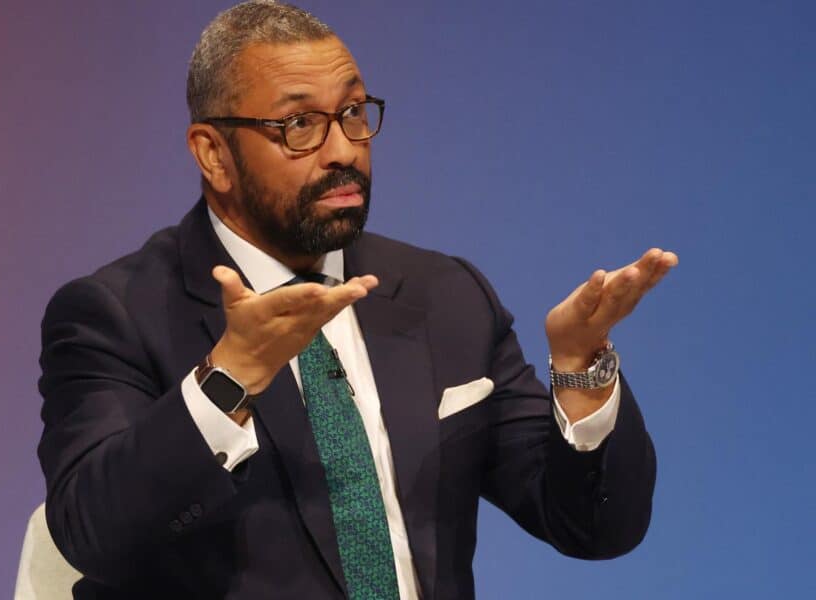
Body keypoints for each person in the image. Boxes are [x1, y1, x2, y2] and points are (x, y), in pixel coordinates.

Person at [37, 2, 678, 599]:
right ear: (214, 154)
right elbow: (91, 531)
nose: (344, 150)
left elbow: (593, 529)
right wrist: (228, 378)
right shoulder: (115, 315)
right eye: (299, 126)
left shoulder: (446, 295)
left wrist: (579, 365)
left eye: (352, 113)